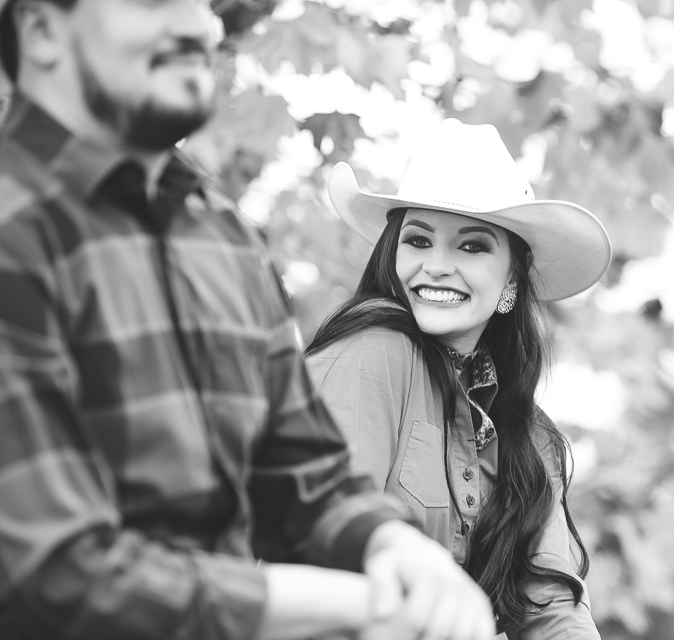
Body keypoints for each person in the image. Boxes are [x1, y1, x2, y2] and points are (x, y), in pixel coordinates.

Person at [0, 1, 495, 639]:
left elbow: (303, 474)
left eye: (203, 4)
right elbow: (50, 574)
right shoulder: (14, 226)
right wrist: (350, 603)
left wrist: (390, 546)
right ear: (42, 31)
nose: (200, 26)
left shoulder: (220, 231)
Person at [304, 119, 611, 639]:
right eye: (418, 240)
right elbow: (320, 544)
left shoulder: (530, 436)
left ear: (512, 277)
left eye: (471, 247)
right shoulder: (370, 356)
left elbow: (552, 609)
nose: (436, 266)